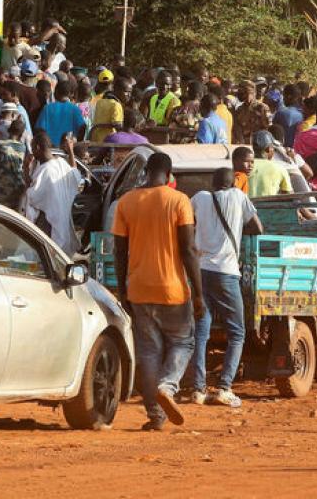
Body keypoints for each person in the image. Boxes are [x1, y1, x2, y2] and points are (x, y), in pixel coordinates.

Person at [112, 152, 203, 430]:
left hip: (139, 288)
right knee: (183, 342)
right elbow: (188, 250)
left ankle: (156, 415)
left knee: (149, 352)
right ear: (170, 173)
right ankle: (168, 385)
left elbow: (119, 251)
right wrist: (198, 293)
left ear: (146, 171)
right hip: (173, 289)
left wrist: (122, 289)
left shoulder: (126, 202)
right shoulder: (179, 201)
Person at [184, 167, 261, 408]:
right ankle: (224, 388)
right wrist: (235, 227)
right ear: (232, 183)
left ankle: (198, 389)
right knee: (237, 332)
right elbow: (257, 226)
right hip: (226, 272)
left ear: (212, 182)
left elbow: (187, 221)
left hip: (200, 272)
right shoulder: (238, 196)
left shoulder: (200, 198)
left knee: (201, 332)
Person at [26, 131, 83, 255]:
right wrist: (71, 151)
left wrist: (25, 169)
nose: (33, 154)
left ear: (37, 147)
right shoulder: (61, 164)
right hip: (64, 230)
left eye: (33, 149)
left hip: (49, 229)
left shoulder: (44, 172)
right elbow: (75, 174)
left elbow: (31, 198)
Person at [0, 119, 29, 210]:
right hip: (18, 187)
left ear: (9, 130)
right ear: (22, 134)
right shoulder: (23, 148)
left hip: (2, 187)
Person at [247, 130, 291, 198]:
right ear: (268, 149)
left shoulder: (244, 166)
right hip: (269, 208)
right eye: (273, 148)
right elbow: (290, 196)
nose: (273, 150)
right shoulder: (279, 168)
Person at [91, 77, 129, 143]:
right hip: (109, 142)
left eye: (130, 92)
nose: (129, 95)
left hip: (95, 139)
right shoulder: (116, 105)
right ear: (117, 90)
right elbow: (117, 125)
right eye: (126, 92)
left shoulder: (100, 102)